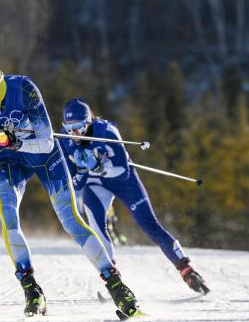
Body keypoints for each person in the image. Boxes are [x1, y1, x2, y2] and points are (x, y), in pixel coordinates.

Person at [0, 48, 141, 318]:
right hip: (9, 163)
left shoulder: (23, 88)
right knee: (7, 220)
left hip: (44, 157)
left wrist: (16, 141)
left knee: (71, 221)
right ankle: (31, 290)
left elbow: (46, 140)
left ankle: (117, 285)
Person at [59, 98, 209, 294]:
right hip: (95, 185)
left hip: (123, 181)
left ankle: (186, 268)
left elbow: (123, 171)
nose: (75, 133)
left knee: (149, 224)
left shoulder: (107, 133)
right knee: (96, 228)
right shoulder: (64, 140)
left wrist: (98, 166)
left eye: (79, 126)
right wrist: (82, 171)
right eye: (69, 128)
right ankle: (112, 279)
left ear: (89, 122)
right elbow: (74, 182)